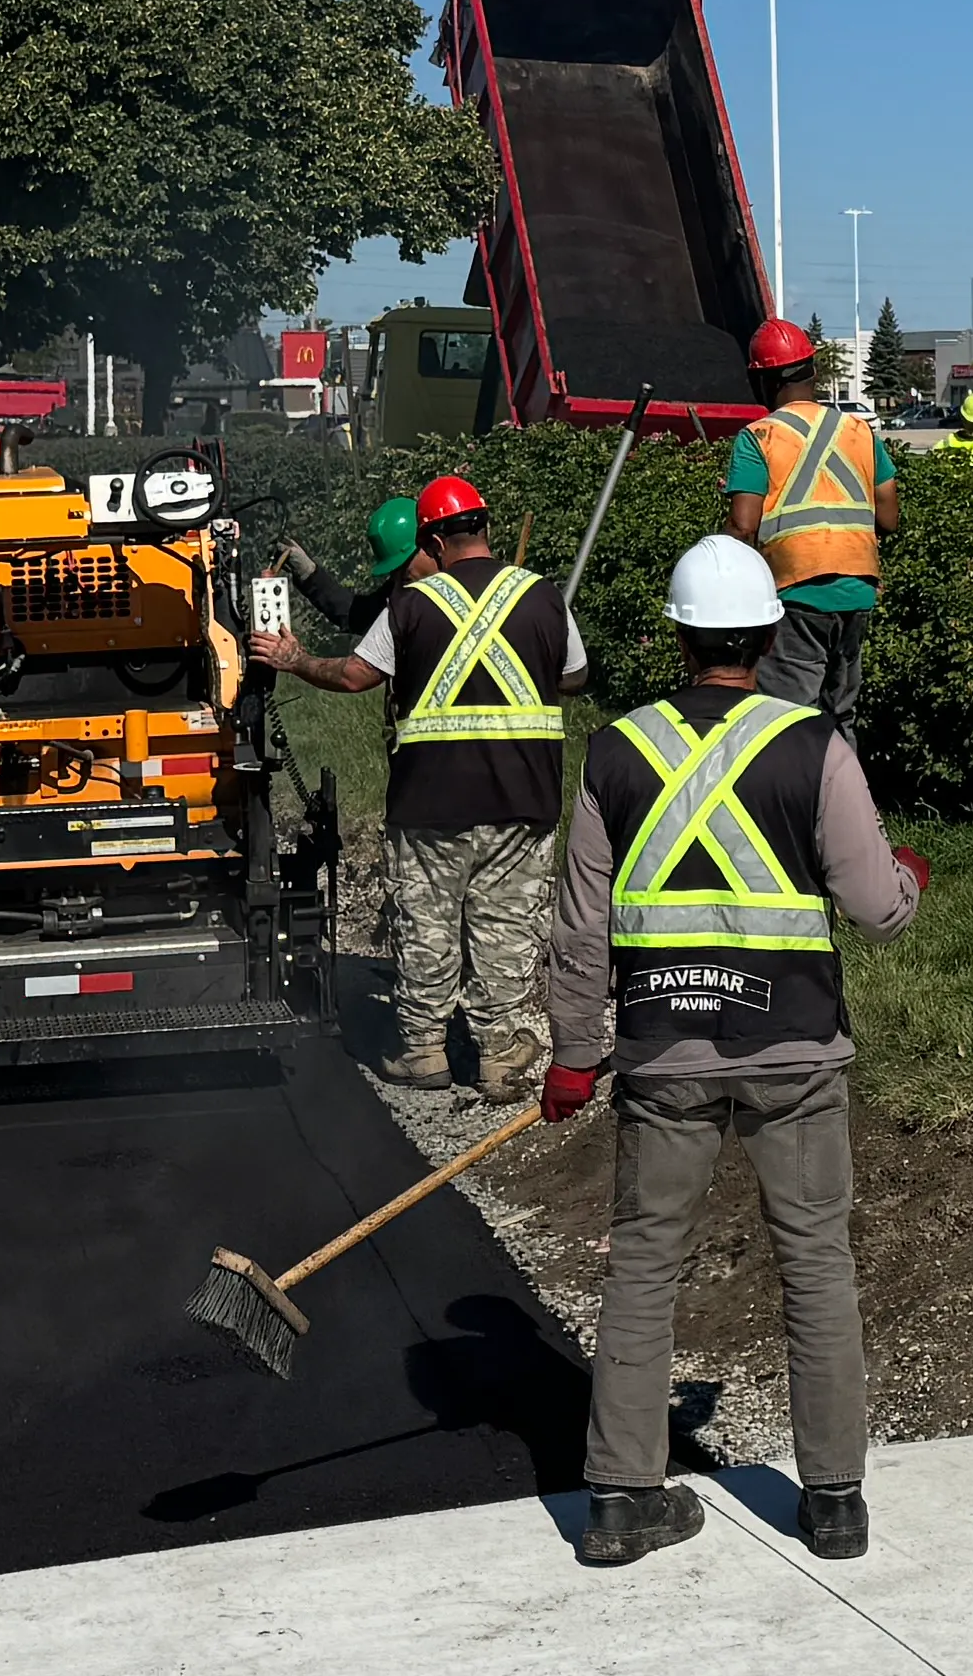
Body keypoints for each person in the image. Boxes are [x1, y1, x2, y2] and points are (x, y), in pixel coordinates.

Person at [541, 530, 925, 1569]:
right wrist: (908, 881)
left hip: (662, 1058)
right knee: (816, 1265)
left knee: (643, 1269)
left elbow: (579, 929)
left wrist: (574, 1052)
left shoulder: (616, 751)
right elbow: (877, 910)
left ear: (678, 636)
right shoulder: (813, 744)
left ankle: (621, 1502)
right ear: (767, 634)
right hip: (793, 1051)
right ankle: (834, 1503)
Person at [250, 469, 582, 1092]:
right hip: (523, 798)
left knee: (427, 925)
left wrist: (294, 659)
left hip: (430, 800)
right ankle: (499, 1052)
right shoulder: (542, 596)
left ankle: (425, 1052)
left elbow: (355, 676)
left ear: (431, 542)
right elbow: (575, 677)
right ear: (486, 526)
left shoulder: (408, 607)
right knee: (505, 927)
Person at [721, 315, 896, 728]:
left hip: (796, 591)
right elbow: (888, 518)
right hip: (858, 589)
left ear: (763, 381)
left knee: (789, 719)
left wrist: (715, 563)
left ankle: (794, 772)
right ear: (813, 372)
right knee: (840, 715)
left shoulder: (759, 436)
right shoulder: (858, 430)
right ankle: (840, 771)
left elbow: (743, 526)